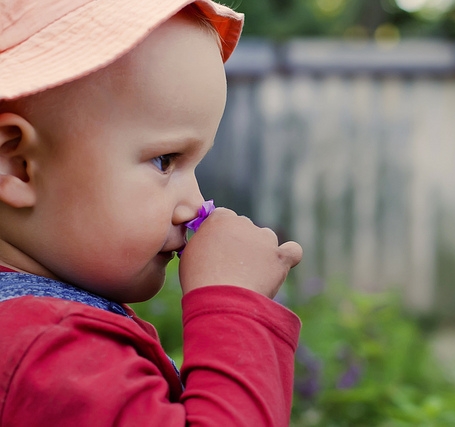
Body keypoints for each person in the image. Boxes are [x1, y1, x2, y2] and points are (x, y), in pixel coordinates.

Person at [0, 0, 303, 425]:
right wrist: (235, 306)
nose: (196, 205)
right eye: (165, 160)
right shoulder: (47, 351)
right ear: (19, 165)